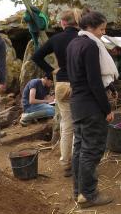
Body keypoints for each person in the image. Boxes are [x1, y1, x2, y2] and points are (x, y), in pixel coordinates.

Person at [66, 11, 117, 208]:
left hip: (77, 103)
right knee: (92, 150)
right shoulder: (90, 45)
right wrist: (106, 109)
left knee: (79, 149)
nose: (102, 34)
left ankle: (79, 191)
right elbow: (94, 81)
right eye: (101, 29)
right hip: (90, 105)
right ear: (91, 27)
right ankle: (88, 195)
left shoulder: (73, 44)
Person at [32, 9, 83, 177]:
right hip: (79, 83)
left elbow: (36, 56)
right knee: (79, 125)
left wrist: (51, 71)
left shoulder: (56, 39)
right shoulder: (82, 37)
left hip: (61, 83)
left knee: (66, 124)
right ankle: (78, 162)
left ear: (63, 22)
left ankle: (66, 163)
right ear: (77, 22)